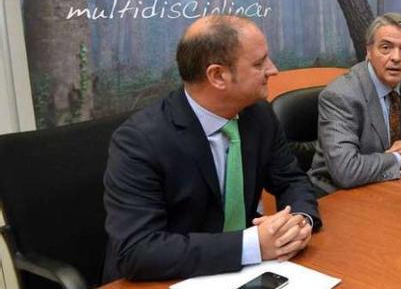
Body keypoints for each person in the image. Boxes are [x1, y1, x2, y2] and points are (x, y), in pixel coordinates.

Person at [103, 15, 321, 281]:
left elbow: (291, 179)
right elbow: (138, 251)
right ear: (218, 75)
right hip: (169, 277)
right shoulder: (138, 141)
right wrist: (252, 246)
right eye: (258, 63)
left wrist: (299, 221)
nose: (273, 69)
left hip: (247, 271)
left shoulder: (259, 115)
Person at [308, 13, 401, 196]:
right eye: (386, 47)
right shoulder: (341, 95)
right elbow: (345, 171)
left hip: (397, 186)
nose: (396, 57)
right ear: (368, 51)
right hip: (339, 196)